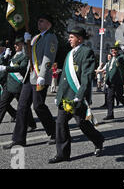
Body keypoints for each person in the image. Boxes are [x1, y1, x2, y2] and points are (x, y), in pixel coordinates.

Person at [49, 27, 104, 163]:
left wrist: (80, 95)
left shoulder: (87, 52)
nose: (69, 39)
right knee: (60, 123)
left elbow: (86, 75)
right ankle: (62, 154)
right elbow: (64, 78)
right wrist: (58, 96)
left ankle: (98, 140)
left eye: (72, 37)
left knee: (82, 123)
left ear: (79, 39)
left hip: (77, 95)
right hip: (65, 95)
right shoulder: (69, 54)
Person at [3, 15, 58, 149]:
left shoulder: (51, 37)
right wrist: (26, 45)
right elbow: (28, 57)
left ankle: (55, 133)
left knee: (38, 106)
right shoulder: (35, 38)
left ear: (49, 24)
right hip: (30, 76)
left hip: (40, 76)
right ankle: (18, 139)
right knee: (22, 107)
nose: (38, 22)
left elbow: (48, 57)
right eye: (38, 20)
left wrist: (43, 75)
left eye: (41, 20)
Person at [0, 37, 36, 137]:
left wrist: (6, 67)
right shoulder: (13, 56)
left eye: (17, 44)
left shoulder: (26, 56)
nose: (15, 46)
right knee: (1, 107)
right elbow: (2, 69)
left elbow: (21, 67)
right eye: (15, 44)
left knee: (24, 107)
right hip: (8, 86)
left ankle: (31, 123)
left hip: (18, 85)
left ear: (23, 45)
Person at [103, 42, 124, 121]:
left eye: (115, 50)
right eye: (112, 50)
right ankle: (110, 114)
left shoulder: (121, 57)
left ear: (118, 51)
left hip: (118, 81)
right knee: (110, 98)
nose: (114, 52)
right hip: (110, 82)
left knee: (119, 97)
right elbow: (108, 70)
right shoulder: (110, 60)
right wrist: (106, 80)